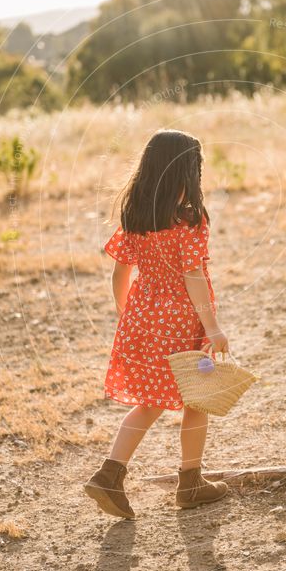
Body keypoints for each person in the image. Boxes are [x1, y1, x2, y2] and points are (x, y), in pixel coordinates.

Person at [84, 129, 229, 518]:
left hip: (144, 316)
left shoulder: (137, 217)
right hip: (184, 319)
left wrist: (126, 313)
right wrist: (212, 326)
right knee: (196, 397)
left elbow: (120, 273)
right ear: (185, 172)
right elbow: (193, 275)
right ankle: (191, 482)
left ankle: (109, 475)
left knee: (149, 401)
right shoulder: (188, 220)